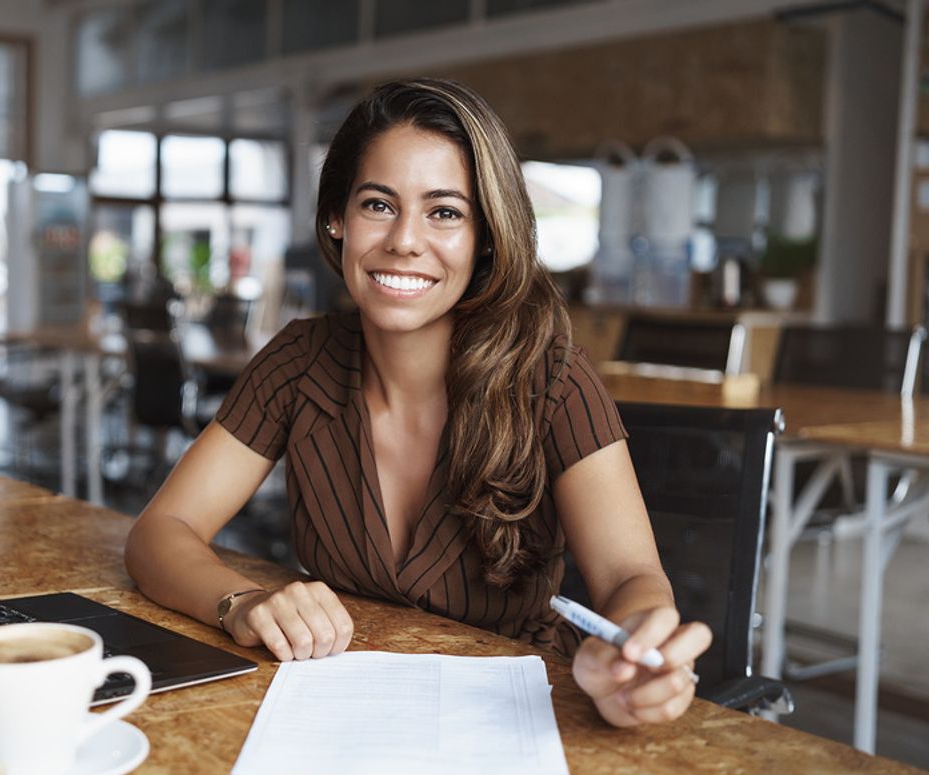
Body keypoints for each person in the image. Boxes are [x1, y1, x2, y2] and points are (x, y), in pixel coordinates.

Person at [124, 78, 711, 727]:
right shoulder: (299, 364)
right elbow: (160, 532)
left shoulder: (550, 376)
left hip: (524, 713)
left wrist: (637, 652)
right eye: (379, 204)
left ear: (486, 236)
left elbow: (630, 575)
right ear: (337, 219)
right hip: (340, 706)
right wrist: (240, 601)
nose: (405, 240)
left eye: (445, 212)